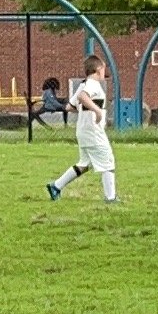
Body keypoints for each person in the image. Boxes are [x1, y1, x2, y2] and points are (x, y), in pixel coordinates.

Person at [46, 52, 117, 203]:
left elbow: (70, 106)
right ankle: (110, 198)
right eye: (103, 69)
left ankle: (56, 186)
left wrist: (86, 108)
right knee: (108, 161)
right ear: (98, 69)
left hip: (83, 131)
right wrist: (97, 110)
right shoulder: (92, 85)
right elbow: (82, 98)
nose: (105, 72)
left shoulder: (83, 84)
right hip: (93, 132)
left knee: (85, 164)